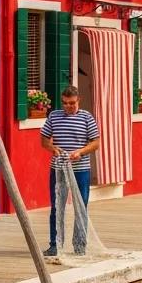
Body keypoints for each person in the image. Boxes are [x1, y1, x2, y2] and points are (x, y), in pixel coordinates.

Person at [40, 86, 100, 258]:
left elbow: (95, 143)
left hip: (81, 169)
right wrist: (52, 148)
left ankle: (80, 246)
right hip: (58, 168)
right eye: (65, 103)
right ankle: (55, 245)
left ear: (78, 100)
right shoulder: (54, 116)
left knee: (81, 207)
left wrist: (80, 152)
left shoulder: (86, 117)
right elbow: (44, 140)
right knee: (56, 206)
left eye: (72, 103)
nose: (69, 106)